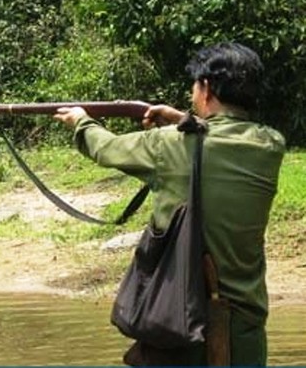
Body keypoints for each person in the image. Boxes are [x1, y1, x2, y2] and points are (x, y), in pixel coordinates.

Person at [53, 42, 286, 366]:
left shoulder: (169, 144)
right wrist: (182, 119)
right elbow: (215, 138)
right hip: (245, 330)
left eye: (195, 86)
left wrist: (81, 121)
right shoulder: (270, 145)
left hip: (179, 326)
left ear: (205, 89)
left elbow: (106, 149)